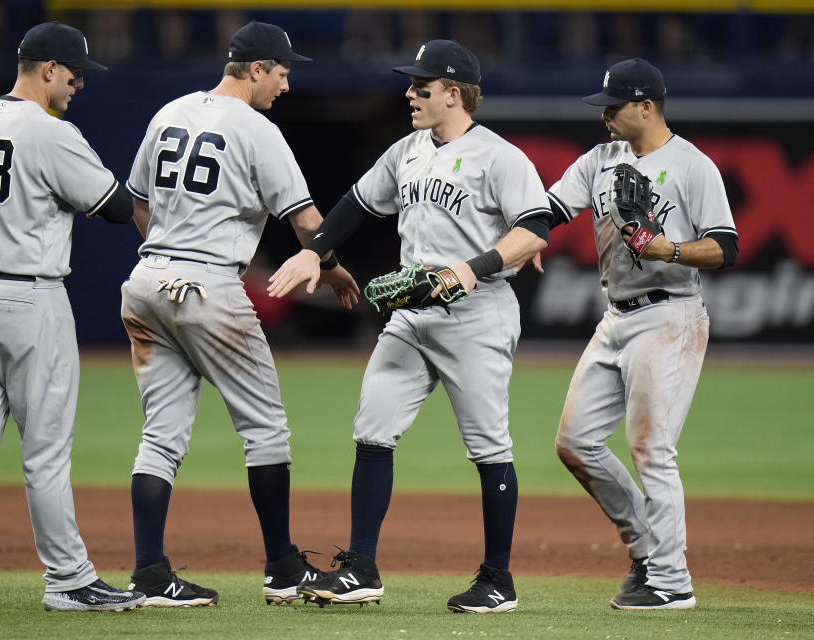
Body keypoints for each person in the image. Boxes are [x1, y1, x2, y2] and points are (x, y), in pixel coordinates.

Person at [267, 39, 551, 613]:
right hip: (412, 313)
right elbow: (356, 204)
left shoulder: (500, 157)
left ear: (453, 93)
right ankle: (362, 569)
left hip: (478, 316)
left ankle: (498, 580)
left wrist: (473, 270)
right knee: (372, 429)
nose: (409, 93)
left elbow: (536, 227)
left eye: (421, 86)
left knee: (489, 447)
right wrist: (315, 252)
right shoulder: (408, 151)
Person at [0, 22, 145, 613]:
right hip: (26, 298)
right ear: (46, 69)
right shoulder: (48, 131)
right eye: (73, 72)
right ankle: (68, 578)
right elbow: (115, 207)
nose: (80, 83)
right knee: (45, 448)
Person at [121, 21, 360, 607]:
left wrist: (168, 251)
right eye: (281, 72)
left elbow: (137, 202)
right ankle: (282, 567)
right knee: (265, 429)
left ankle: (150, 573)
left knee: (159, 437)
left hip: (148, 281)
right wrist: (329, 267)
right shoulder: (257, 128)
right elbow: (307, 222)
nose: (285, 84)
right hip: (208, 287)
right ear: (256, 69)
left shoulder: (169, 112)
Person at [546, 58, 738, 610]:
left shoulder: (692, 166)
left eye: (614, 105)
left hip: (670, 315)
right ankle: (647, 552)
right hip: (617, 316)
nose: (604, 114)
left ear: (647, 106)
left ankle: (672, 582)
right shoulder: (600, 159)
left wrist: (669, 249)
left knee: (651, 448)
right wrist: (518, 244)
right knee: (575, 442)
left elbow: (725, 246)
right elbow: (550, 210)